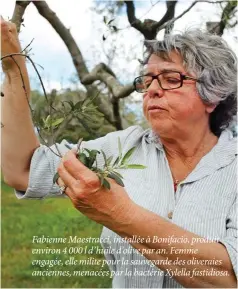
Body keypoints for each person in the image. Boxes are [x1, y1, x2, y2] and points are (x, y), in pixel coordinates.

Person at [1, 16, 237, 288]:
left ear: (213, 95)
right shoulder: (123, 146)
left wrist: (119, 214)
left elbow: (228, 279)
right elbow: (24, 169)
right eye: (147, 81)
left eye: (171, 79)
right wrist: (13, 68)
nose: (152, 91)